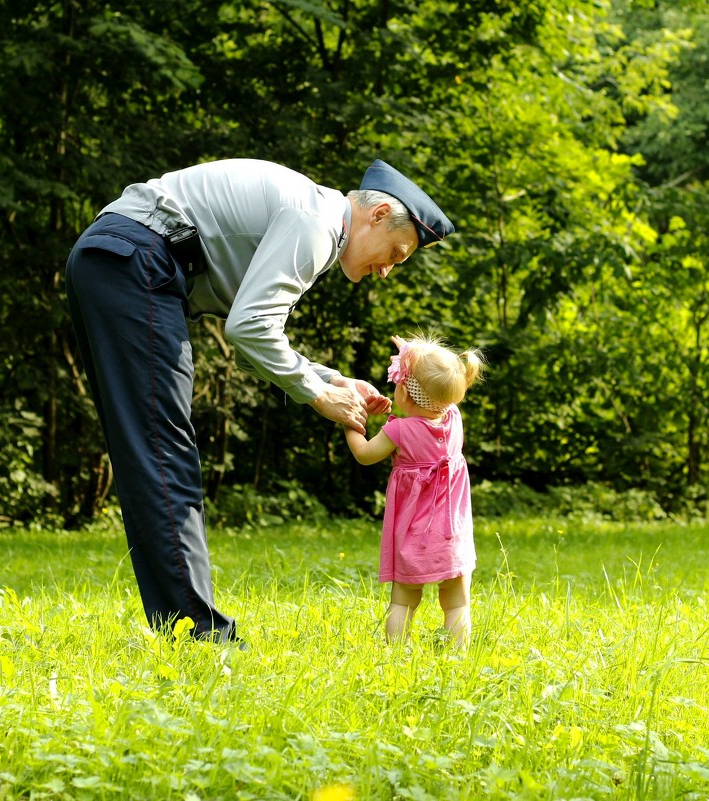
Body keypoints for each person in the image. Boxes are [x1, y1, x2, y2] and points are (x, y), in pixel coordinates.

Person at [65, 158, 454, 644]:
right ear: (377, 215)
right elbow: (248, 328)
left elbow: (255, 345)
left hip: (113, 257)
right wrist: (316, 395)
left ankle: (183, 627)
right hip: (137, 262)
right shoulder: (314, 223)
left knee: (149, 447)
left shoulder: (314, 219)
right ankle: (198, 633)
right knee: (162, 449)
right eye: (396, 252)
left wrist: (333, 381)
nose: (387, 271)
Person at [342, 334, 484, 649]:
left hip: (415, 534)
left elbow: (364, 454)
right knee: (457, 601)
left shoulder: (399, 431)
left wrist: (350, 422)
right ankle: (457, 656)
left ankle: (396, 655)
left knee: (404, 600)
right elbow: (437, 392)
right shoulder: (453, 419)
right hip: (452, 533)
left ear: (404, 391)